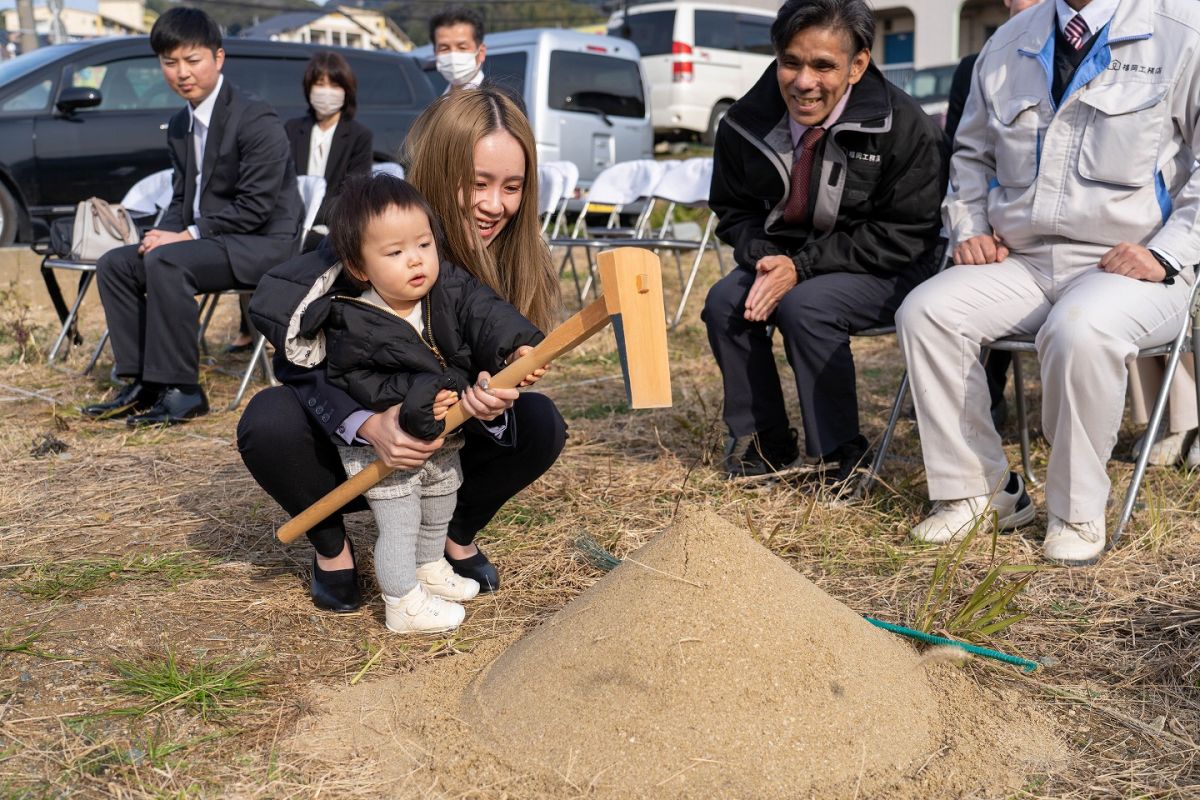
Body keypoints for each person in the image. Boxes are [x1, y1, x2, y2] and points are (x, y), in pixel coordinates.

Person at [896, 0, 1200, 566]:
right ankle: (979, 493)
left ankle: (1077, 509)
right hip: (1025, 260)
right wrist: (970, 227)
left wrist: (1167, 251)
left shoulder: (1182, 30)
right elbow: (969, 155)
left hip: (1130, 266)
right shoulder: (1012, 39)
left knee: (1079, 330)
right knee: (927, 312)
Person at [238, 88, 565, 612]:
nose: (495, 204)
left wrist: (492, 394)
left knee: (540, 423)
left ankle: (448, 540)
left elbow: (493, 346)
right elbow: (299, 366)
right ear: (437, 170)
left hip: (441, 441)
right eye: (477, 183)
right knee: (269, 420)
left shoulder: (511, 260)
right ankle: (334, 553)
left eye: (512, 187)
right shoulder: (370, 234)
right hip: (357, 445)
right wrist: (369, 425)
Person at [702, 0, 946, 486]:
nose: (803, 81)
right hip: (786, 257)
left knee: (806, 308)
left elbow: (906, 232)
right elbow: (734, 210)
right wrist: (765, 257)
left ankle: (840, 452)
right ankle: (765, 440)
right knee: (726, 301)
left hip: (889, 265)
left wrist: (803, 267)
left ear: (857, 65)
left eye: (823, 66)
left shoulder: (904, 125)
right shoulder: (744, 121)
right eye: (791, 62)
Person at [296, 174, 545, 633]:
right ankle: (402, 602)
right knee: (401, 524)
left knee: (439, 505)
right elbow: (357, 381)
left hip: (440, 439)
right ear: (360, 266)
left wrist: (517, 347)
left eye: (424, 245)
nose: (416, 261)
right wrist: (418, 401)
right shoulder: (353, 318)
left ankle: (430, 569)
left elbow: (486, 311)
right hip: (384, 446)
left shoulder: (445, 286)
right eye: (394, 253)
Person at [82, 7, 301, 425]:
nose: (181, 72)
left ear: (218, 58)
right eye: (169, 62)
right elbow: (182, 197)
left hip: (263, 242)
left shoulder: (255, 117)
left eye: (192, 60)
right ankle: (144, 381)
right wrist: (160, 233)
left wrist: (186, 235)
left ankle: (183, 391)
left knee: (166, 260)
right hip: (211, 240)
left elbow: (257, 207)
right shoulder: (181, 124)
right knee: (118, 263)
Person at [943, 0, 1044, 431]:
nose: (1037, 6)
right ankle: (978, 392)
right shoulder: (978, 63)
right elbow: (963, 151)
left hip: (1058, 234)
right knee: (972, 266)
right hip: (990, 222)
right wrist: (977, 226)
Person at [431, 7, 486, 92]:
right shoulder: (439, 102)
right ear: (435, 53)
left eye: (462, 47)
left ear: (481, 52)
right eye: (444, 48)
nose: (453, 55)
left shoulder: (495, 102)